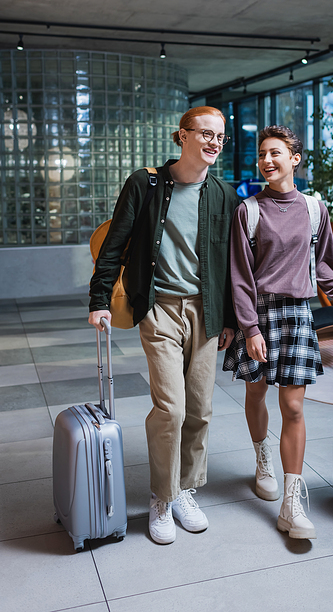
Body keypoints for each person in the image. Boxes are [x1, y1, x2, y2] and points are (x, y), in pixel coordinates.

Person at [89, 106, 239, 545]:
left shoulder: (224, 194)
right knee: (171, 407)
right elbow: (114, 244)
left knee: (199, 409)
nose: (214, 142)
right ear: (183, 136)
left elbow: (228, 263)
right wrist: (99, 300)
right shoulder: (146, 183)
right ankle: (161, 496)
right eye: (206, 133)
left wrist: (230, 319)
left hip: (207, 310)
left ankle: (185, 491)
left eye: (221, 136)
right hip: (159, 308)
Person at [224, 125, 333, 540]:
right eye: (262, 155)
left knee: (295, 407)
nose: (267, 161)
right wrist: (249, 326)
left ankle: (290, 502)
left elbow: (324, 266)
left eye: (275, 153)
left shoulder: (315, 209)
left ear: (294, 158)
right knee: (256, 392)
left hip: (298, 313)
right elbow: (240, 276)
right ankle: (262, 457)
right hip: (259, 313)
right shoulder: (248, 211)